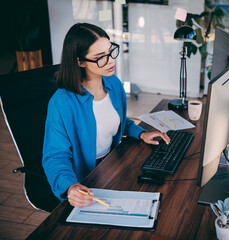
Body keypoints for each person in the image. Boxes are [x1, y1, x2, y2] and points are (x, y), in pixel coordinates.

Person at [42, 23, 170, 208]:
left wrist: (141, 133)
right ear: (79, 61)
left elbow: (117, 120)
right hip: (86, 180)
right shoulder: (62, 103)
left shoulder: (113, 83)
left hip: (113, 163)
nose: (111, 61)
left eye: (111, 51)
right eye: (100, 57)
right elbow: (55, 156)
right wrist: (70, 187)